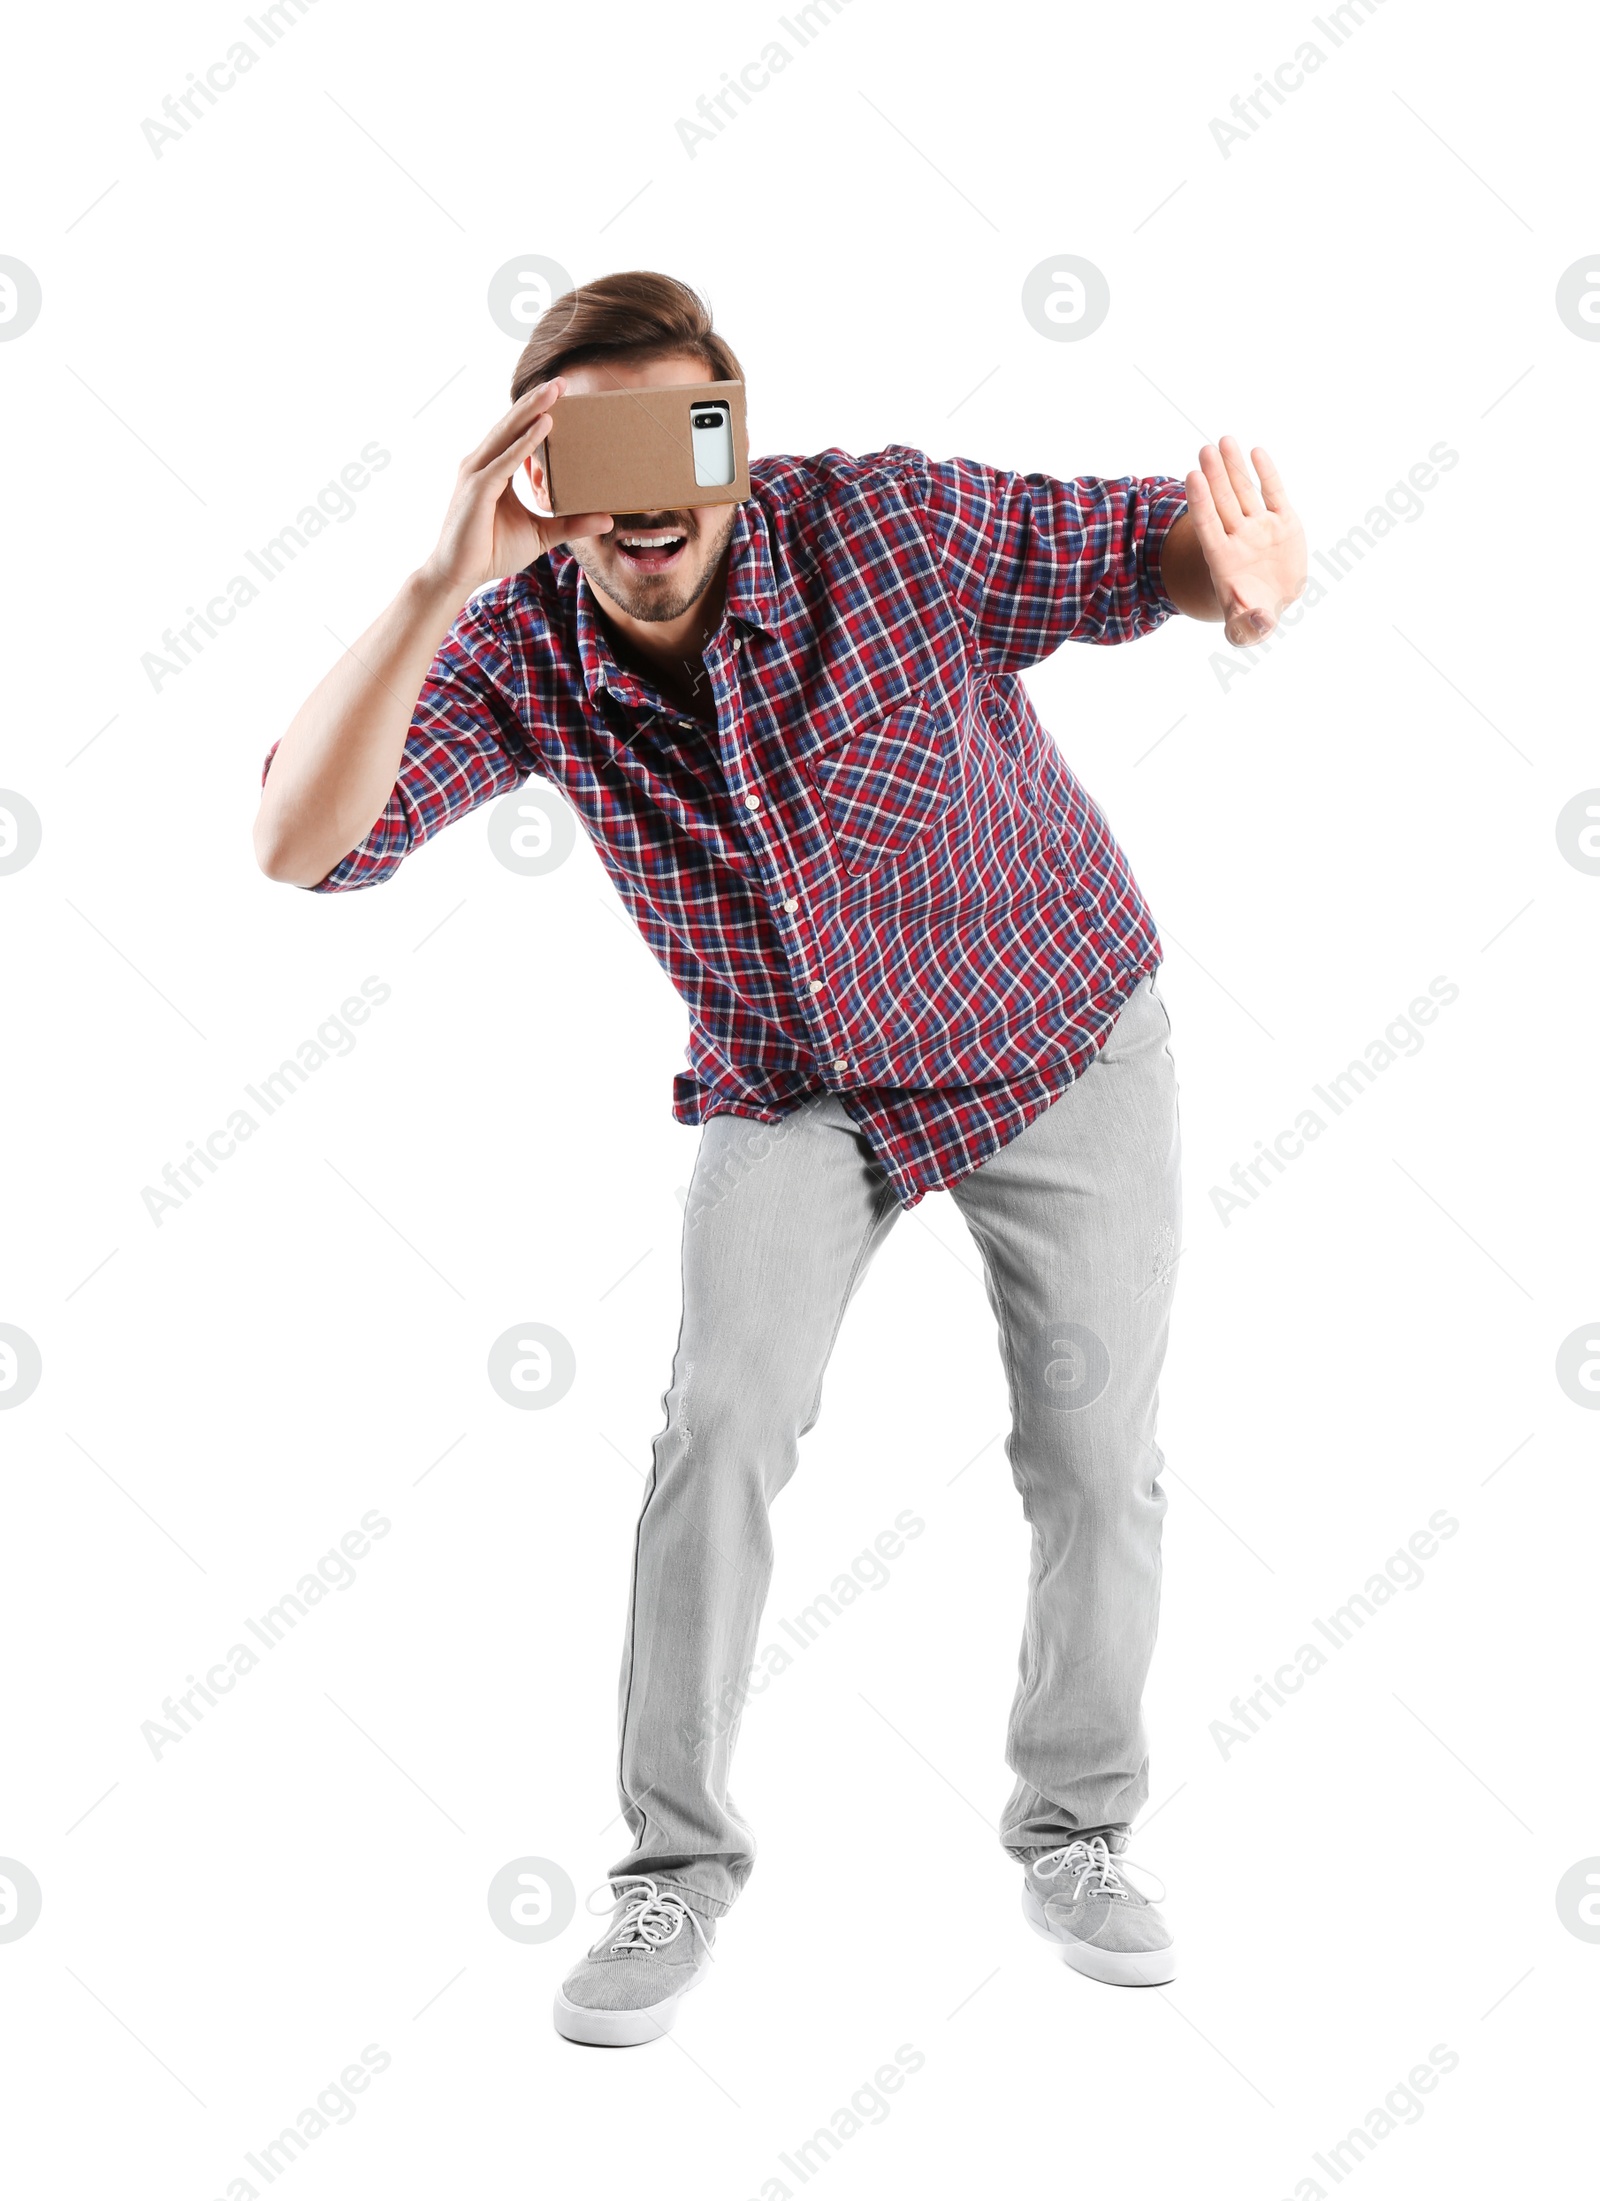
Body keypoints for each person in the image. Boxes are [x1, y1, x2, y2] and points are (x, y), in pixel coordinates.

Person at [254, 270, 1306, 2046]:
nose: (652, 489)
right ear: (539, 469)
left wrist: (1240, 581)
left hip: (1055, 1026)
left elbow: (1146, 551)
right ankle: (673, 1862)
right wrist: (442, 577)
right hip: (794, 1080)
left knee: (1090, 1438)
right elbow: (300, 843)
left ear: (740, 441)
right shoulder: (522, 644)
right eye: (601, 448)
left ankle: (1080, 1829)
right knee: (719, 1427)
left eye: (691, 430)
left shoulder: (884, 523)